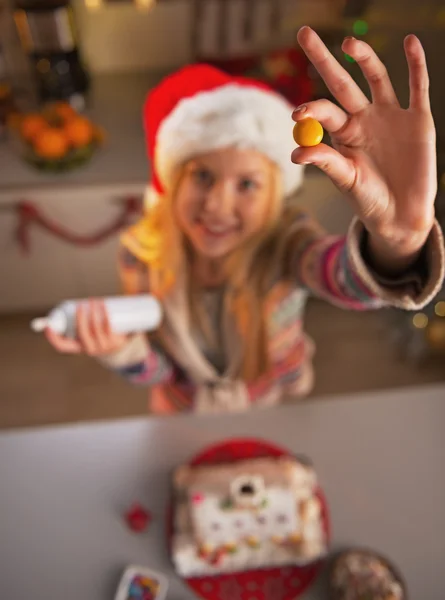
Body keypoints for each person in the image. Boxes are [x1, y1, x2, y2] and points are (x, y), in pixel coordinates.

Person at [46, 27, 444, 414]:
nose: (218, 206)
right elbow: (163, 372)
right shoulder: (141, 255)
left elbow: (344, 277)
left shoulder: (287, 243)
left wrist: (397, 242)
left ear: (274, 193)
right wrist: (122, 351)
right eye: (203, 176)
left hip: (272, 406)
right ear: (173, 180)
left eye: (248, 184)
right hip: (183, 413)